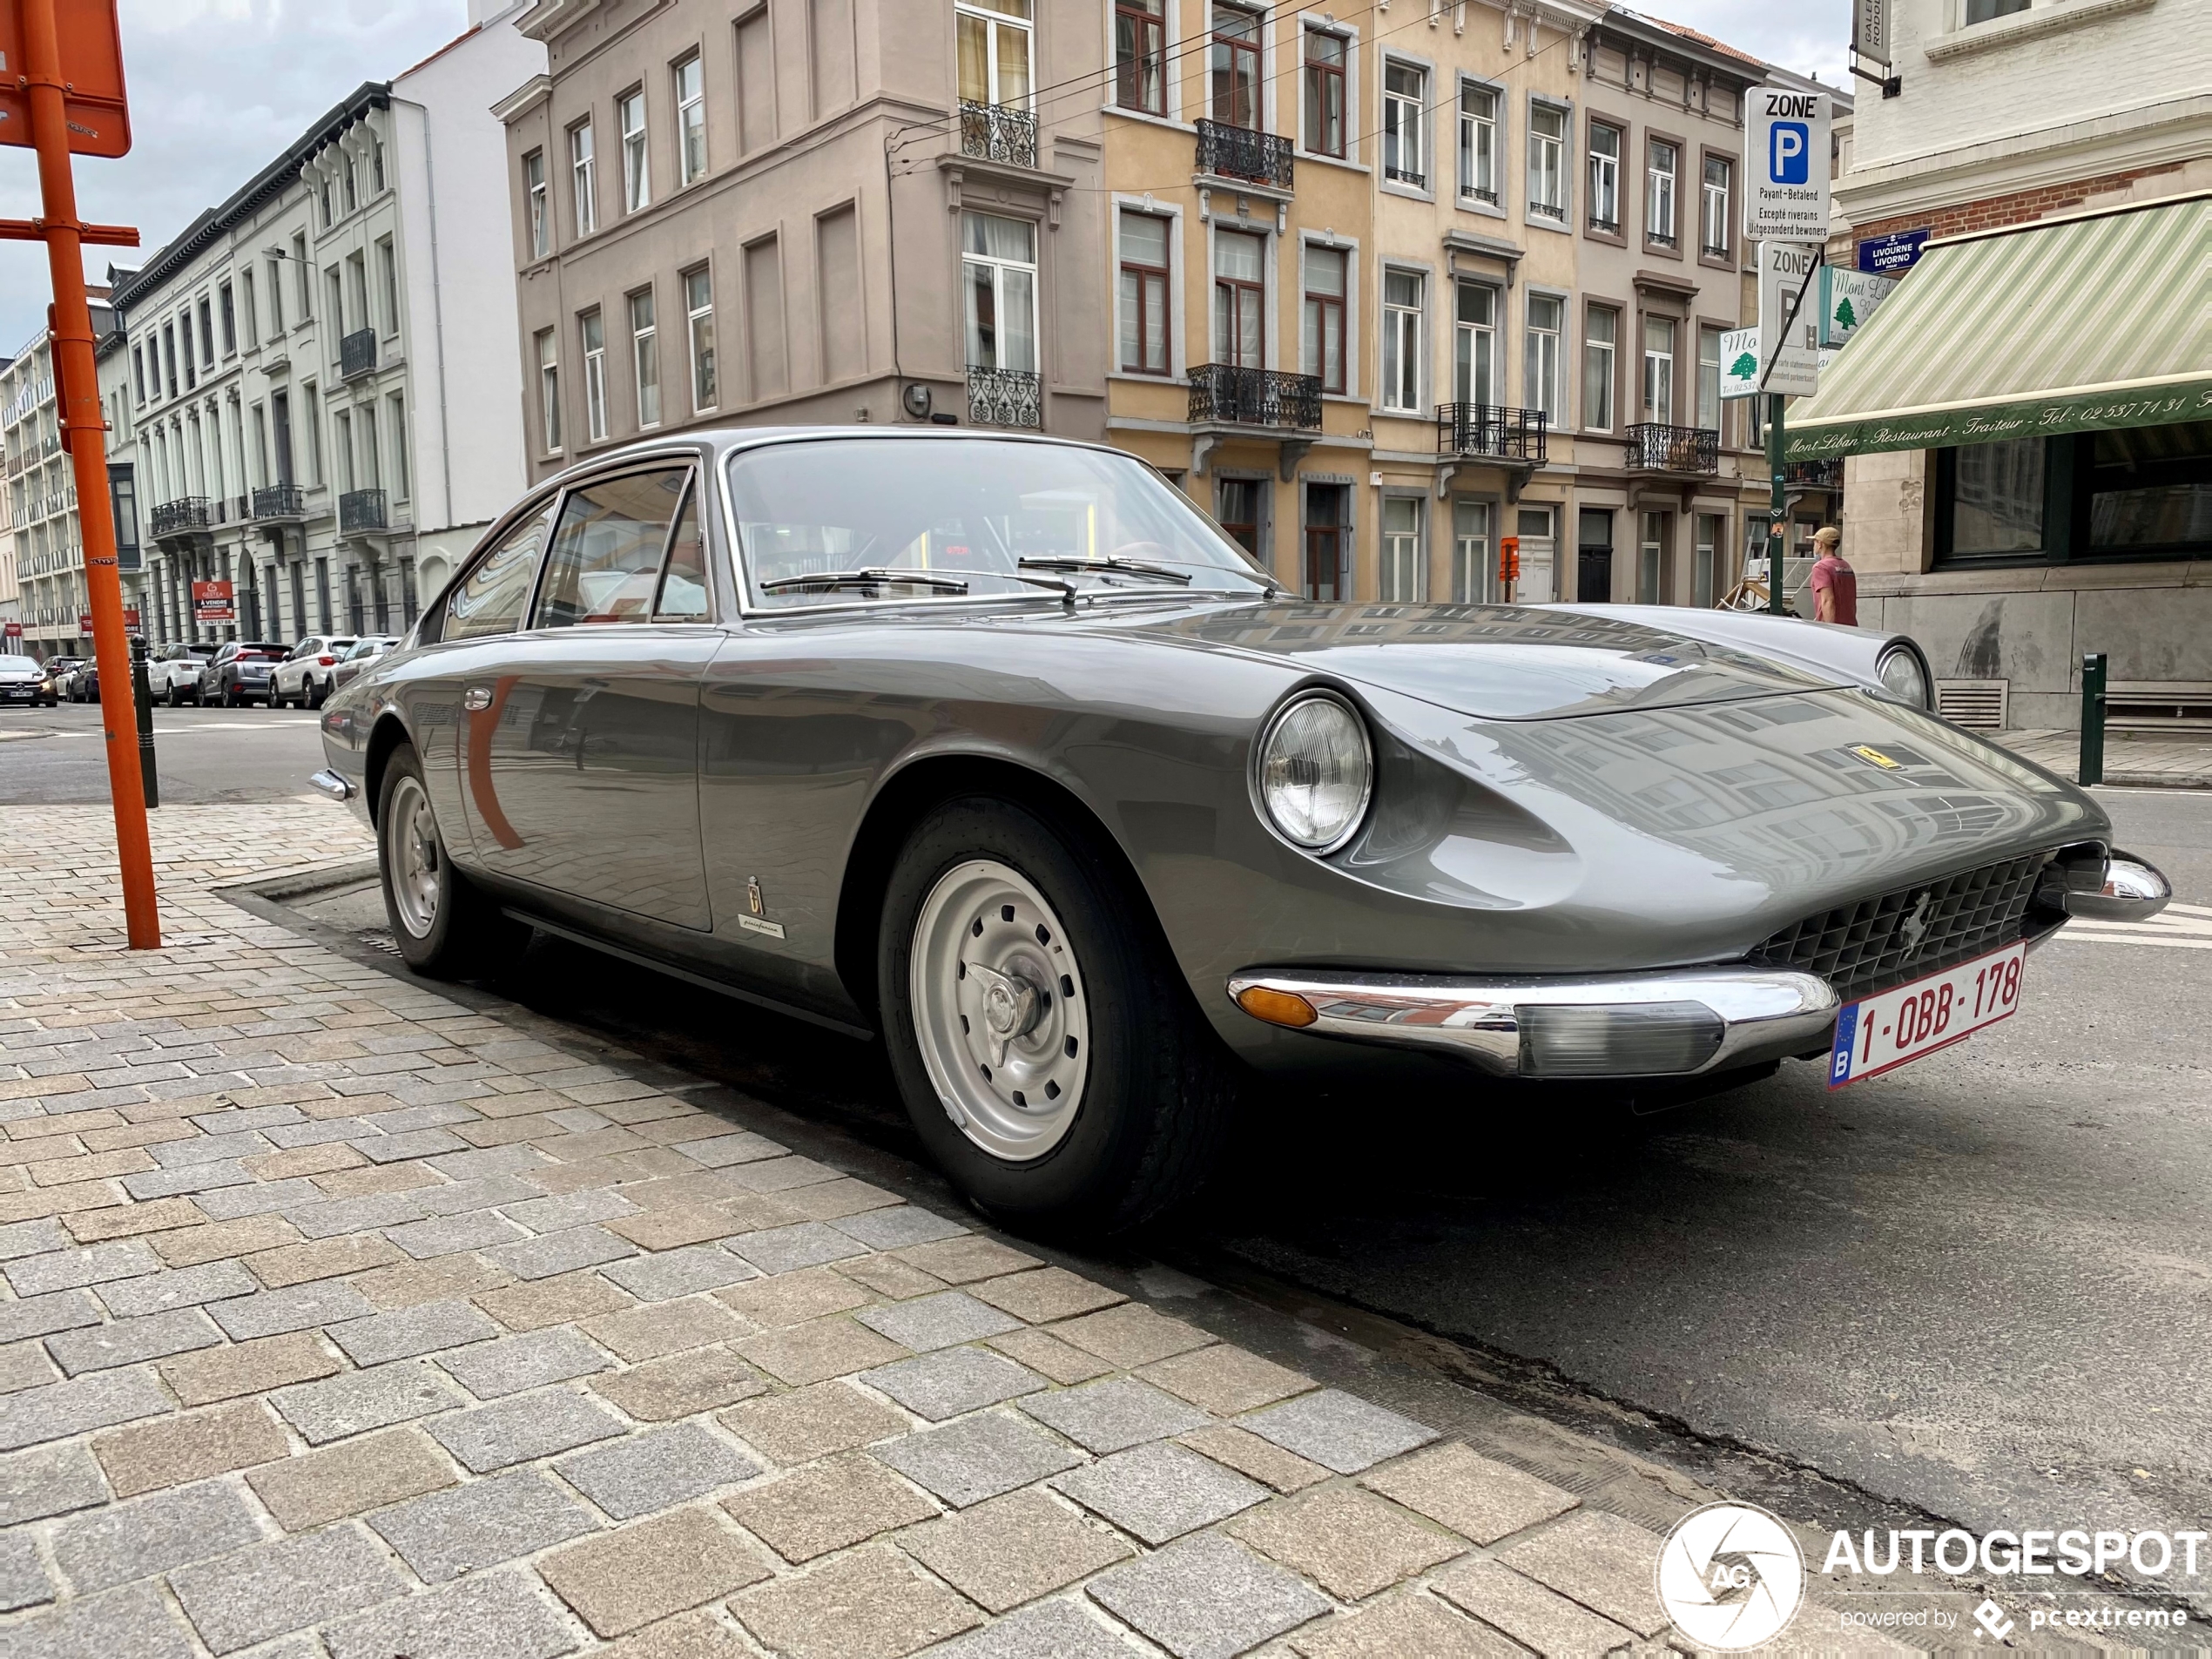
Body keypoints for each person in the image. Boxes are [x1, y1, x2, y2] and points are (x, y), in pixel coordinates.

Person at [1808, 525, 1857, 627]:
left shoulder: (1821, 567)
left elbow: (1827, 600)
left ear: (1820, 544)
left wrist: (1830, 629)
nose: (1814, 545)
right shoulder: (1846, 565)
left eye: (1815, 542)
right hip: (1851, 627)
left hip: (1834, 629)